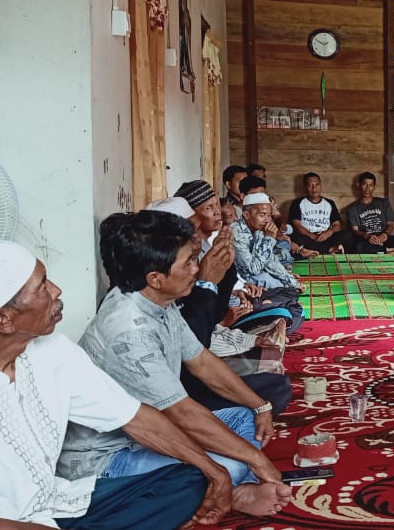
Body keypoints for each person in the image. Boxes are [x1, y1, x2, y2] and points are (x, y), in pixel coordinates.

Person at [0, 240, 231, 529]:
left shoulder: (53, 349)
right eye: (42, 287)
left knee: (188, 479)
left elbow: (135, 418)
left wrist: (215, 471)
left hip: (56, 504)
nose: (57, 290)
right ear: (4, 320)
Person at [60, 211, 293, 518]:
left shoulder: (156, 299)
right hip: (110, 458)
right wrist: (256, 460)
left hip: (156, 433)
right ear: (155, 278)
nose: (198, 269)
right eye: (188, 263)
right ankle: (231, 490)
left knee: (243, 417)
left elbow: (202, 362)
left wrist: (260, 406)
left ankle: (230, 487)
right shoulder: (129, 330)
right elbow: (181, 413)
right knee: (228, 464)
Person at [171, 181, 294, 415]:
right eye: (208, 208)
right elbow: (197, 345)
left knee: (286, 311)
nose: (217, 213)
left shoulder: (209, 248)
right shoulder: (175, 270)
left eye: (217, 205)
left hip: (216, 332)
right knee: (273, 384)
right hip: (185, 376)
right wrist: (209, 283)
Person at [232, 192, 306, 336]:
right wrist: (269, 239)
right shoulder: (236, 232)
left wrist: (292, 281)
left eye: (269, 215)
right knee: (283, 292)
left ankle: (273, 314)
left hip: (257, 278)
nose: (267, 220)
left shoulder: (258, 229)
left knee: (293, 296)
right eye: (262, 215)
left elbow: (271, 261)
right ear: (247, 215)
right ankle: (267, 307)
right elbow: (253, 269)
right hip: (246, 283)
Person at [346, 171, 394, 254]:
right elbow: (355, 230)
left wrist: (385, 234)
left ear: (374, 187)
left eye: (370, 185)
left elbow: (390, 224)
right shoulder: (352, 208)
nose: (367, 188)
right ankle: (389, 250)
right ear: (359, 185)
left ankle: (381, 249)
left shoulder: (384, 203)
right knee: (357, 247)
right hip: (366, 239)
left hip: (383, 237)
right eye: (364, 184)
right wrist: (368, 236)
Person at [289, 172, 349, 254]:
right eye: (310, 185)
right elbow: (297, 225)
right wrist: (311, 235)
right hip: (308, 237)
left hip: (326, 237)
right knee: (294, 235)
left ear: (320, 185)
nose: (314, 188)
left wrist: (329, 232)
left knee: (347, 234)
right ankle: (329, 250)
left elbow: (337, 225)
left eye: (317, 184)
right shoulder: (297, 203)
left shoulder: (329, 203)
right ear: (305, 187)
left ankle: (313, 250)